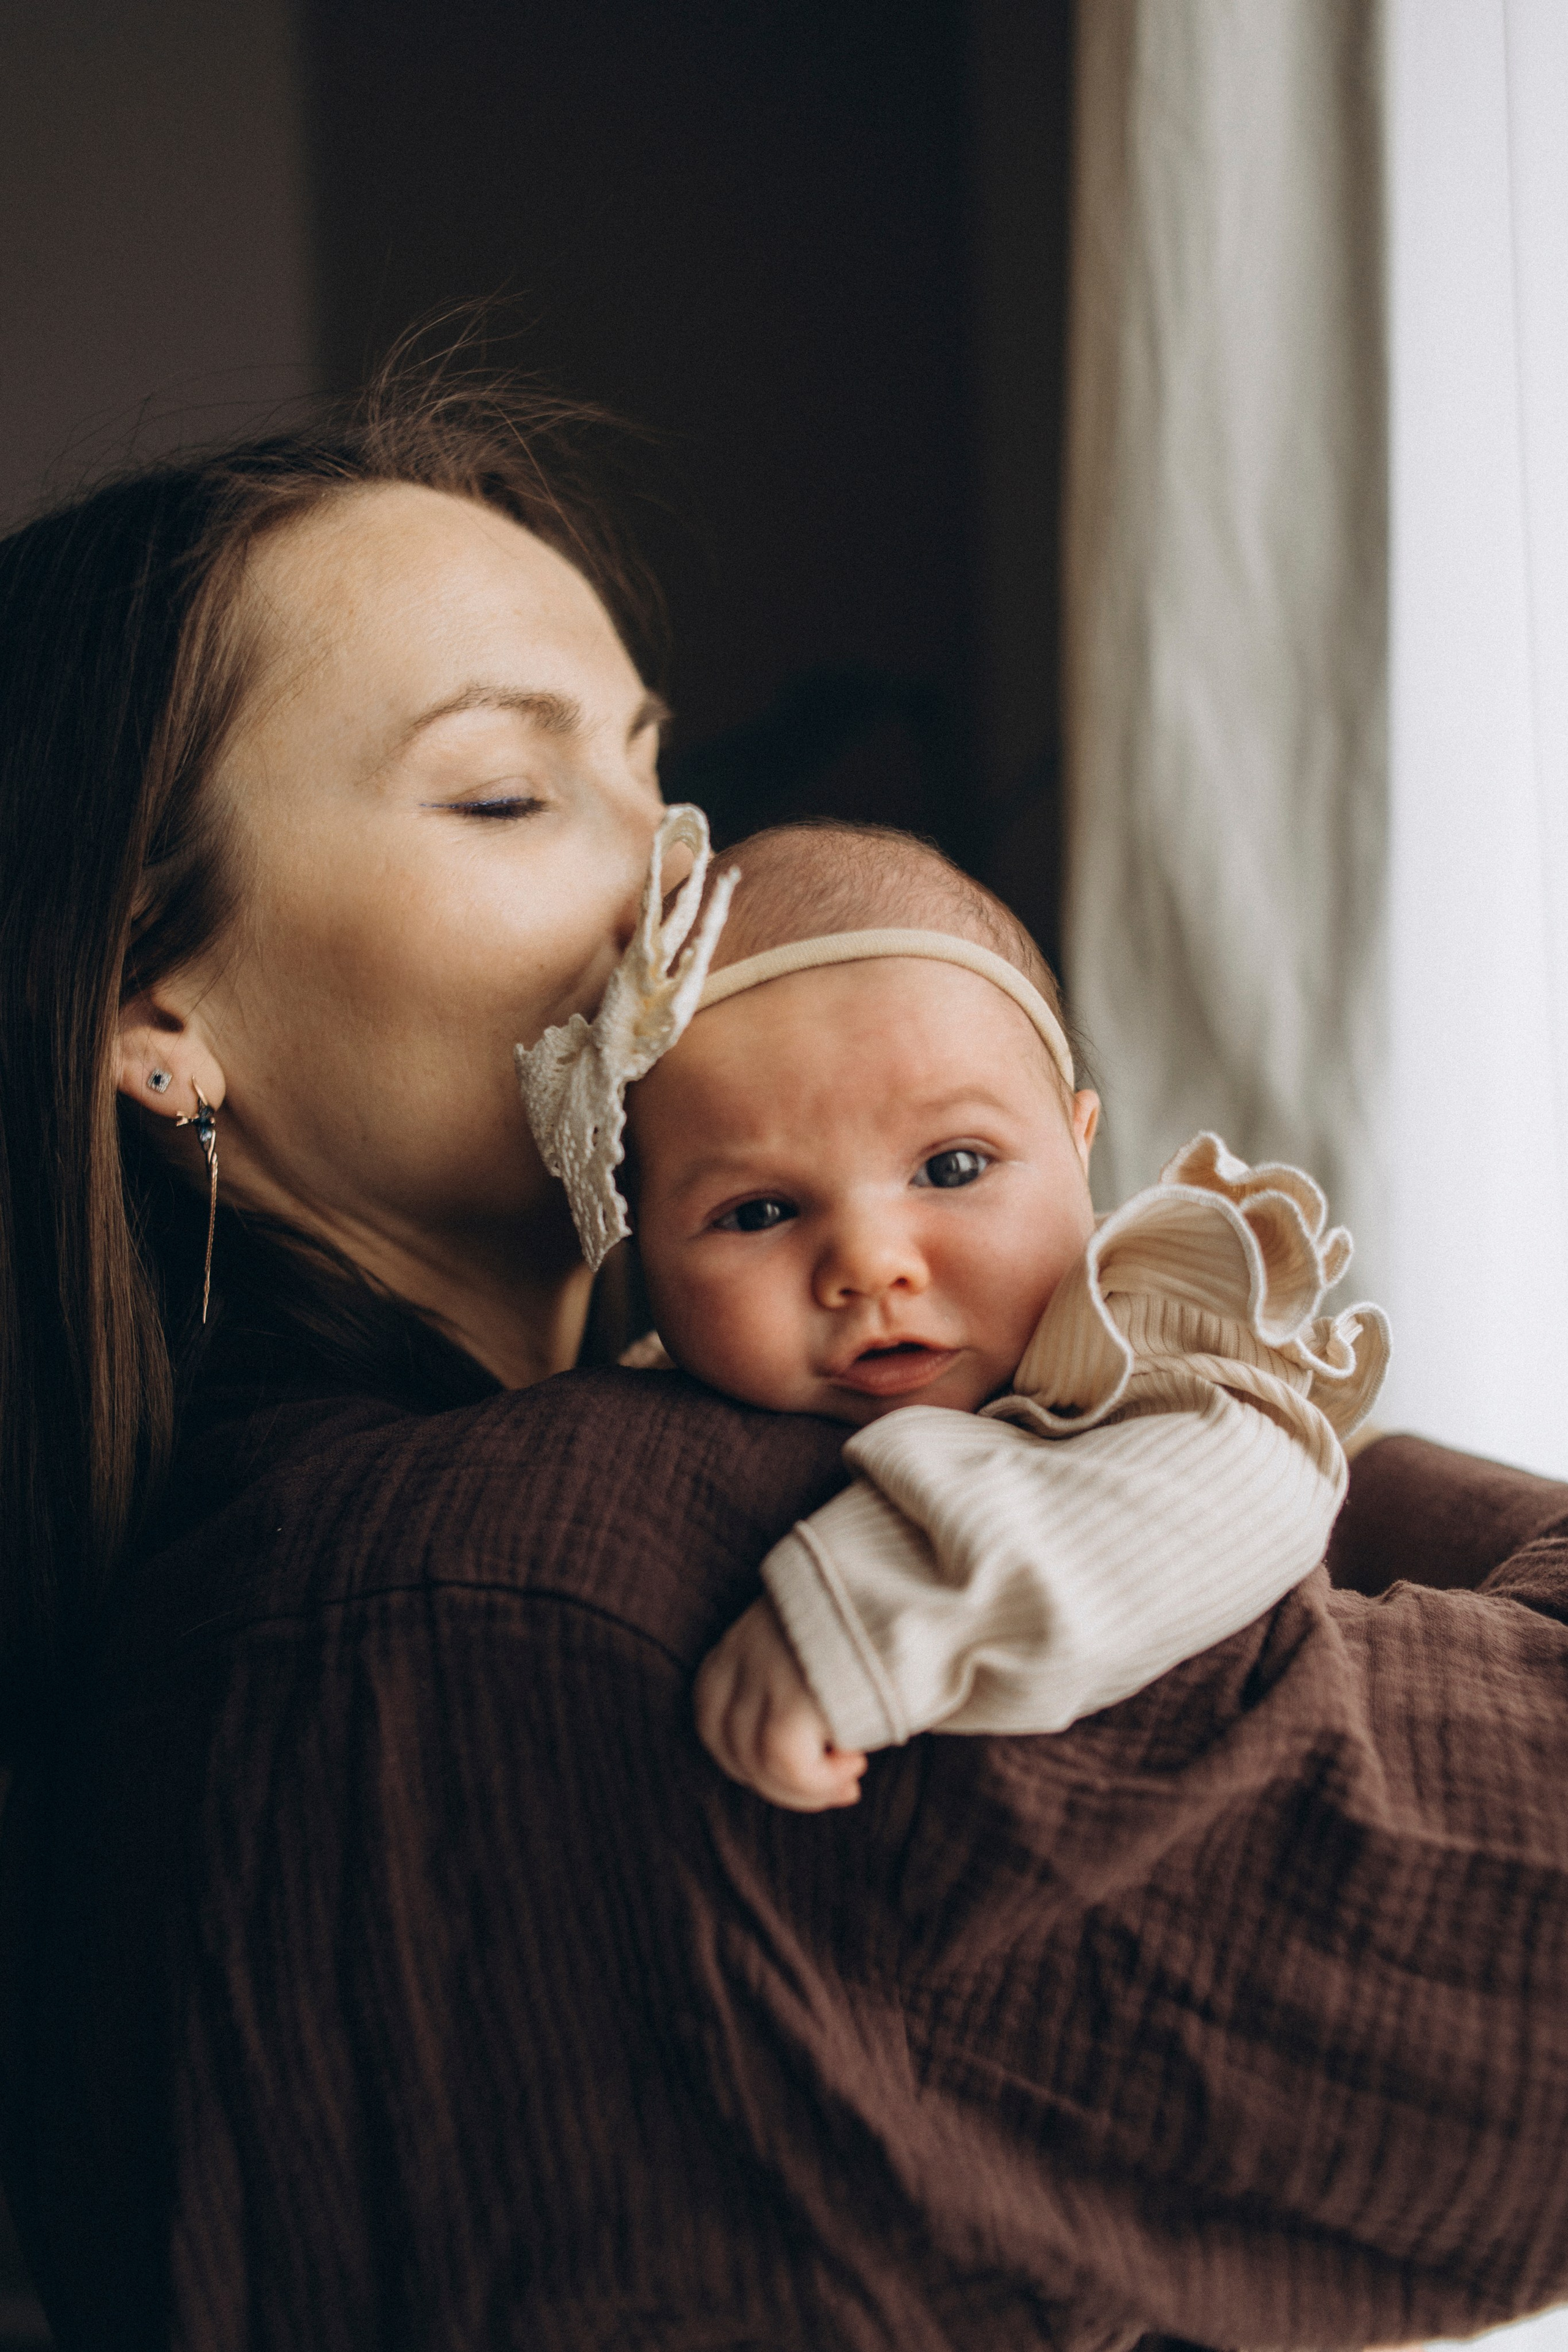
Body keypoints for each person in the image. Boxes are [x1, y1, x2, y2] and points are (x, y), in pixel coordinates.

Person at [0, 368, 1566, 2351]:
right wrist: (1226, 1404)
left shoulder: (219, 1583)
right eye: (505, 793)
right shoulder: (667, 1565)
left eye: (656, 786)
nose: (675, 894)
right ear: (155, 1010)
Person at [519, 810, 1389, 1811]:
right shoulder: (641, 1405)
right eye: (758, 1212)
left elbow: (1241, 1490)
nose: (870, 1266)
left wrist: (872, 1621)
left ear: (1080, 1146)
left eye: (953, 1167)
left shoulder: (1139, 1318)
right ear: (646, 1256)